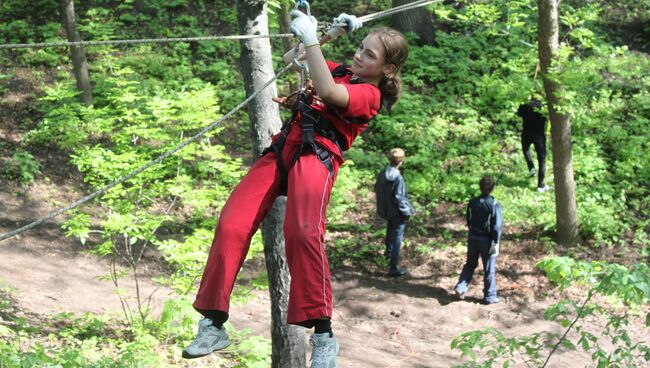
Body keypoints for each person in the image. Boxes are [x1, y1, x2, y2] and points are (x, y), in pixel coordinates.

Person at [182, 8, 409, 368]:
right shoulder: (339, 67)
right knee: (232, 223)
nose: (359, 55)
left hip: (317, 156)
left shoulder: (370, 94)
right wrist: (328, 33)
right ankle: (213, 322)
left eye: (370, 54)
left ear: (388, 69)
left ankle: (323, 334)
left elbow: (327, 90)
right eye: (361, 47)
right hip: (283, 149)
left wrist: (313, 38)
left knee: (302, 232)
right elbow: (293, 58)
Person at [454, 175, 503, 305]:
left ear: (480, 187)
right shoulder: (494, 204)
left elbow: (468, 220)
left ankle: (461, 287)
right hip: (487, 240)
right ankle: (490, 296)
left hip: (473, 237)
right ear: (492, 188)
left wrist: (472, 231)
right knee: (489, 267)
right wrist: (495, 242)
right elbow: (496, 226)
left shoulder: (473, 202)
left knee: (470, 264)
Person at [374, 148, 414, 277]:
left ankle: (388, 254)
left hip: (386, 210)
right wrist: (407, 212)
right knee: (397, 238)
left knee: (390, 231)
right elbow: (399, 197)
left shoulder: (382, 173)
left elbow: (378, 190)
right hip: (397, 212)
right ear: (401, 161)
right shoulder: (398, 177)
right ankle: (393, 268)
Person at [517, 98, 550, 192]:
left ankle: (531, 167)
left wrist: (523, 104)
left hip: (526, 134)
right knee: (542, 161)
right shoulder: (542, 109)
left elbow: (519, 113)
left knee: (525, 149)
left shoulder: (526, 107)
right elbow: (545, 120)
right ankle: (541, 185)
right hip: (539, 136)